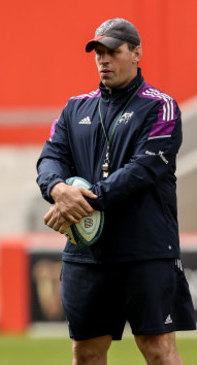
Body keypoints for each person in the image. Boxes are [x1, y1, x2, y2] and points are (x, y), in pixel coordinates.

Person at [37, 18, 196, 364]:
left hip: (146, 251)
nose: (103, 59)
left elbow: (143, 170)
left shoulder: (161, 106)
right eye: (98, 52)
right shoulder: (74, 107)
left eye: (113, 51)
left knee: (158, 351)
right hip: (87, 254)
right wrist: (58, 188)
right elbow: (50, 157)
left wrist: (80, 202)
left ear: (136, 53)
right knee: (86, 353)